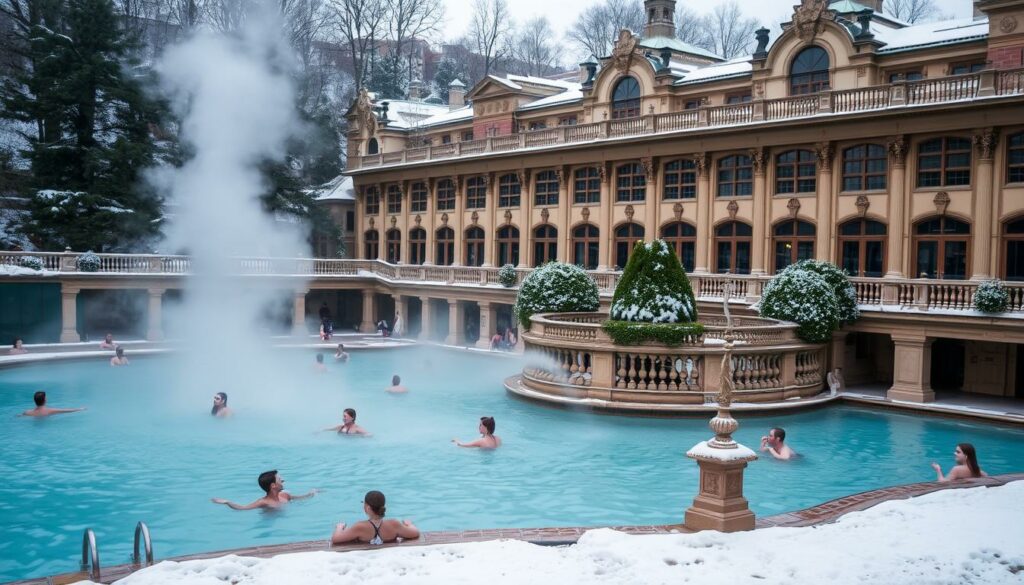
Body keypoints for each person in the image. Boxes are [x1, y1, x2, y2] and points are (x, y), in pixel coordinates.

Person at [330, 490, 419, 545]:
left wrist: (339, 527)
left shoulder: (360, 526)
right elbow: (415, 533)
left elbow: (336, 539)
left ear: (367, 508)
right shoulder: (394, 524)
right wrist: (410, 524)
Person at [211, 470, 317, 510]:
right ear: (273, 486)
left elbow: (301, 498)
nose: (283, 480)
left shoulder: (285, 495)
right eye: (280, 479)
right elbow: (243, 508)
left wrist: (311, 493)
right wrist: (227, 502)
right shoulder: (263, 502)